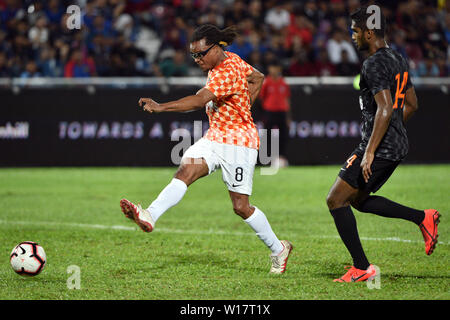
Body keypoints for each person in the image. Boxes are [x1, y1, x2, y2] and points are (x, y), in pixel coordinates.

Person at [120, 24, 293, 274]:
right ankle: (149, 215)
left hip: (239, 142)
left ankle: (279, 249)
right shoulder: (229, 60)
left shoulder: (227, 70)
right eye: (194, 55)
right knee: (184, 172)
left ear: (216, 48)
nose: (198, 59)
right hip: (215, 137)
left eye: (201, 54)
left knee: (241, 207)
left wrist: (160, 107)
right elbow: (257, 76)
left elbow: (199, 100)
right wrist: (246, 103)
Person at [326, 7, 440, 283]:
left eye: (355, 31)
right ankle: (422, 217)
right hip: (396, 143)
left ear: (369, 33)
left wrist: (371, 151)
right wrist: (395, 130)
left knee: (336, 199)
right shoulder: (397, 58)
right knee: (359, 200)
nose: (352, 36)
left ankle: (362, 267)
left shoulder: (373, 63)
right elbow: (411, 104)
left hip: (380, 145)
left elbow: (385, 108)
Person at [259, 62, 291, 167]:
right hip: (270, 112)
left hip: (282, 112)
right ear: (269, 68)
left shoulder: (283, 83)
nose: (274, 70)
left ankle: (282, 158)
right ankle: (266, 159)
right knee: (267, 136)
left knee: (283, 136)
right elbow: (261, 97)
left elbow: (287, 99)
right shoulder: (266, 82)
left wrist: (288, 116)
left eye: (276, 67)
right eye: (272, 67)